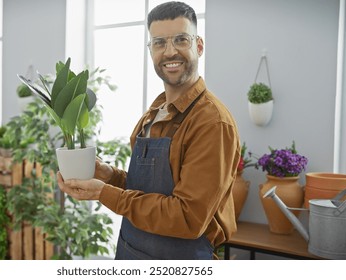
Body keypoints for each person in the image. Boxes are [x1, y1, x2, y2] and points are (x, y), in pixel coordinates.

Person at [58, 1, 240, 260]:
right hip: (131, 253)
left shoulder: (212, 123)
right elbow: (148, 191)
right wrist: (109, 176)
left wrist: (103, 192)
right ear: (150, 50)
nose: (169, 52)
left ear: (198, 46)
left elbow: (188, 218)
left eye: (181, 40)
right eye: (159, 43)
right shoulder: (154, 113)